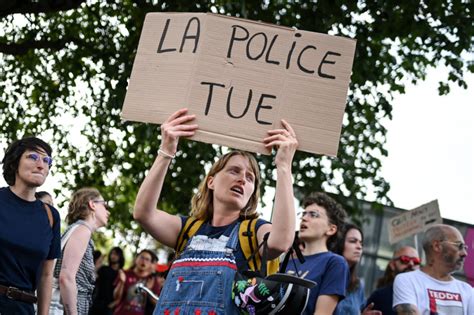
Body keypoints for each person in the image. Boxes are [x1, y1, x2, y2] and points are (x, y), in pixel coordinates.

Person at [133, 108, 298, 314]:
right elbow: (143, 213)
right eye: (234, 170)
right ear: (211, 181)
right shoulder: (188, 229)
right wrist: (166, 150)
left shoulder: (253, 231)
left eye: (250, 178)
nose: (242, 179)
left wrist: (283, 166)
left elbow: (281, 241)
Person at [0, 137, 61, 315]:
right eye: (33, 157)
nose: (41, 165)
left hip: (23, 309)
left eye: (46, 160)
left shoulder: (51, 216)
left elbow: (46, 275)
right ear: (15, 163)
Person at [284, 192, 350, 315]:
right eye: (303, 214)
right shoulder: (287, 262)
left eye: (313, 215)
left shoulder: (335, 263)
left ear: (331, 229)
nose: (304, 218)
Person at [49, 187, 110, 315]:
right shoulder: (82, 230)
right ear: (92, 204)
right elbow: (66, 277)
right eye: (104, 205)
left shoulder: (77, 229)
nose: (108, 212)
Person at [393, 224, 474, 314]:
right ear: (436, 246)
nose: (465, 253)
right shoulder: (407, 280)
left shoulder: (467, 290)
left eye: (465, 248)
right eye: (459, 246)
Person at [365, 246, 420, 315]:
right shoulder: (379, 296)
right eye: (405, 259)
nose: (411, 264)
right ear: (392, 265)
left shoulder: (425, 292)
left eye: (416, 261)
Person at [333, 223, 367, 315]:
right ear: (339, 244)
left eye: (361, 243)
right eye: (353, 241)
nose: (359, 247)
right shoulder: (325, 276)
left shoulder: (358, 285)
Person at [113, 249, 161, 315]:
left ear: (150, 264)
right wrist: (122, 282)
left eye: (147, 259)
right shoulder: (125, 274)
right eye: (142, 257)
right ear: (136, 259)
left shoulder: (152, 280)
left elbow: (157, 303)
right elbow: (116, 297)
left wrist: (148, 289)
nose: (143, 261)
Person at [89, 246, 125, 315]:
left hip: (109, 307)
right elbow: (93, 277)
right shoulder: (104, 269)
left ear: (120, 256)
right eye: (112, 253)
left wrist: (112, 305)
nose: (113, 256)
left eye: (116, 254)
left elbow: (121, 294)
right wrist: (98, 264)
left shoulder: (121, 273)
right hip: (96, 303)